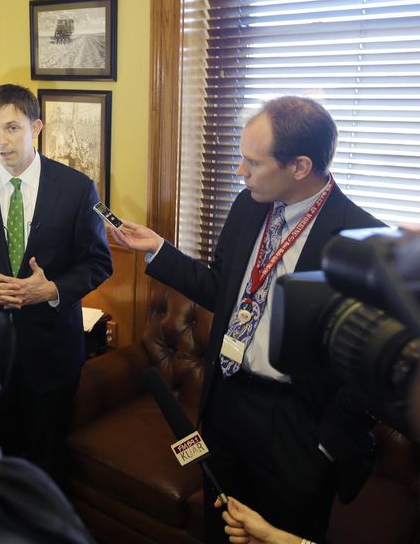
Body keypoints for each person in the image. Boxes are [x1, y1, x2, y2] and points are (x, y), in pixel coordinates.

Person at [109, 96, 385, 542]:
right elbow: (223, 289)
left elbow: (369, 370)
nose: (241, 171)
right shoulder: (248, 206)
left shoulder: (362, 242)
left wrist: (326, 447)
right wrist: (158, 249)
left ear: (299, 166)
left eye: (253, 162)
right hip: (227, 403)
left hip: (296, 427)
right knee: (222, 526)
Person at [0, 84, 112, 480]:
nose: (1, 141)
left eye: (12, 128)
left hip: (50, 354)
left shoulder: (77, 188)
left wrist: (52, 290)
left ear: (36, 127)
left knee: (46, 465)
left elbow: (98, 262)